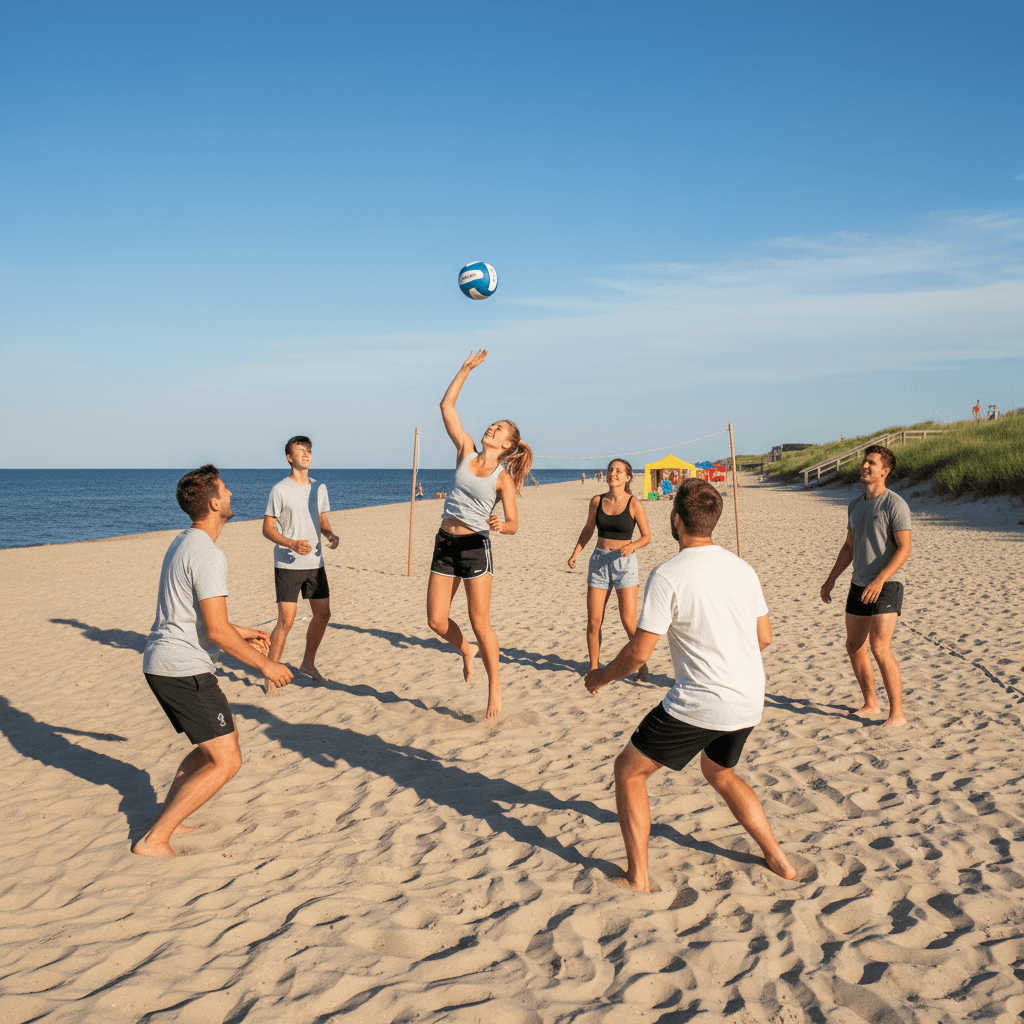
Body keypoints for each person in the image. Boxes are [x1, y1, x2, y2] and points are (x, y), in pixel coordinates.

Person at [584, 479, 796, 891]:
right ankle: (778, 859)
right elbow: (765, 637)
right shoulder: (742, 568)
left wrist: (601, 676)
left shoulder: (668, 574)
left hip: (703, 701)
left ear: (676, 520)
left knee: (628, 771)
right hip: (750, 696)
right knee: (720, 772)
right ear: (712, 520)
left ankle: (638, 877)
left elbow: (640, 653)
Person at [135, 465, 293, 857]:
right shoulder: (207, 554)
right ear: (213, 502)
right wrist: (267, 666)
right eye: (226, 490)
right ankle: (155, 840)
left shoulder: (183, 542)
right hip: (181, 668)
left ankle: (170, 815)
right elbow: (216, 632)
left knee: (216, 749)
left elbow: (203, 619)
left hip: (166, 662)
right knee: (227, 761)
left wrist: (245, 631)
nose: (232, 494)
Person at [426, 349, 533, 720]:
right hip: (445, 542)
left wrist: (502, 526)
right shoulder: (465, 450)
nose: (492, 429)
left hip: (475, 548)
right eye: (493, 425)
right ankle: (465, 650)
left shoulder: (502, 478)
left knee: (480, 622)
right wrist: (464, 369)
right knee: (437, 621)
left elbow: (514, 523)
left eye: (499, 429)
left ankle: (495, 689)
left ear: (507, 446)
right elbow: (446, 407)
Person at [820, 445, 911, 727]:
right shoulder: (855, 504)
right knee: (854, 645)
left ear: (885, 471)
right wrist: (831, 578)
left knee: (879, 647)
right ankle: (871, 704)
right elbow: (848, 547)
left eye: (871, 463)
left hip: (887, 583)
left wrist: (880, 579)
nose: (865, 466)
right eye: (864, 461)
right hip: (859, 583)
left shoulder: (895, 504)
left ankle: (897, 714)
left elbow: (904, 548)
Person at [262, 436, 340, 691]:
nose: (306, 454)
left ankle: (308, 663)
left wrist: (329, 534)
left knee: (323, 614)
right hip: (288, 564)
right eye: (300, 451)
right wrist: (291, 543)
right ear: (289, 457)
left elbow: (322, 519)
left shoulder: (319, 488)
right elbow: (267, 529)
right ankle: (271, 671)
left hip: (315, 563)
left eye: (308, 450)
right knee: (286, 621)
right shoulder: (279, 490)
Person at [568, 458, 652, 680]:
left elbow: (646, 537)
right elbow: (588, 530)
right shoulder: (597, 501)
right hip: (598, 563)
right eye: (610, 470)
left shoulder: (635, 504)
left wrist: (632, 546)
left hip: (625, 565)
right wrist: (576, 553)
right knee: (594, 621)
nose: (612, 473)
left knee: (628, 621)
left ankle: (641, 664)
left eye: (618, 471)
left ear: (627, 477)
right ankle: (594, 666)